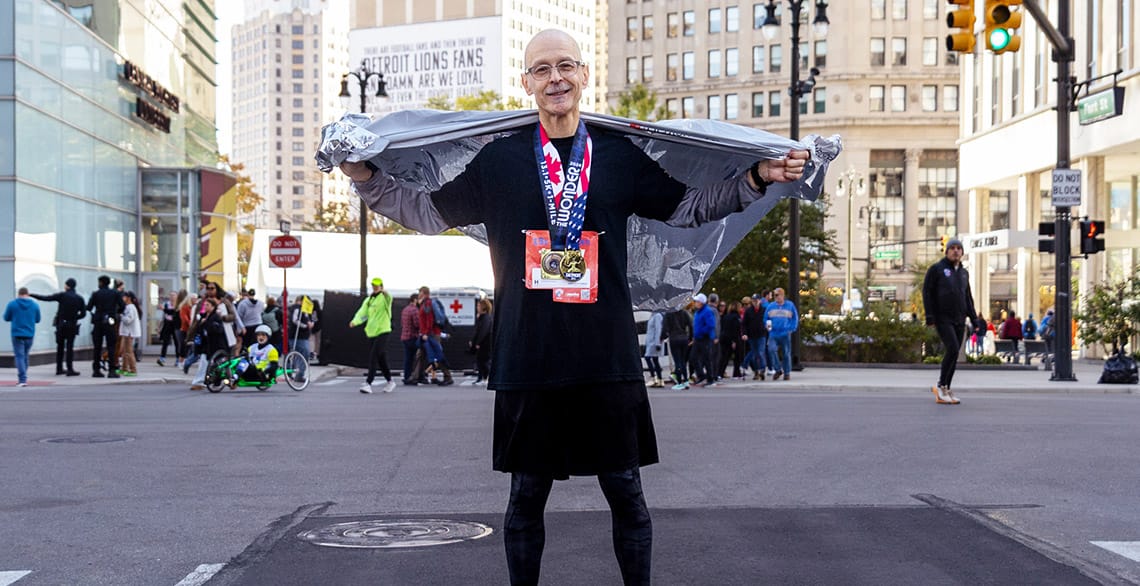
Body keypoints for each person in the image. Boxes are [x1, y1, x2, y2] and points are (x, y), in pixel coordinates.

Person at [338, 28, 807, 585]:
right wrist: (361, 174)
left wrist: (759, 176)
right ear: (527, 82)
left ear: (584, 75)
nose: (555, 78)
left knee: (627, 494)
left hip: (605, 353)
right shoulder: (500, 159)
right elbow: (423, 209)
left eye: (566, 66)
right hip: (527, 355)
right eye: (542, 69)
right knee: (525, 498)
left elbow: (690, 207)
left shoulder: (615, 153)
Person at [922, 237, 979, 405]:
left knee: (954, 354)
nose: (955, 251)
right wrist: (930, 316)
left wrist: (975, 319)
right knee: (953, 348)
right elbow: (927, 292)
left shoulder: (963, 273)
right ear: (946, 251)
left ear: (962, 252)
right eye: (952, 248)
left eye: (958, 248)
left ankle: (946, 387)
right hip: (942, 317)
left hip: (959, 318)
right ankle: (941, 385)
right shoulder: (937, 269)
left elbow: (967, 297)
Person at [29, 278, 86, 376]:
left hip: (61, 324)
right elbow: (83, 314)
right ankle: (70, 369)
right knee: (69, 347)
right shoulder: (79, 298)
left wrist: (31, 295)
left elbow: (46, 298)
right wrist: (74, 317)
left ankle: (59, 368)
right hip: (72, 324)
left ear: (67, 286)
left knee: (60, 346)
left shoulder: (62, 296)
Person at [350, 277, 396, 394]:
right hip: (372, 332)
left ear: (381, 286)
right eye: (374, 285)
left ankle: (368, 383)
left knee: (374, 356)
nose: (375, 288)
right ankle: (390, 381)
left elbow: (389, 298)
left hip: (383, 330)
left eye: (377, 286)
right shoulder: (369, 300)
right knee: (381, 358)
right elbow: (362, 313)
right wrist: (355, 321)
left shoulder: (384, 298)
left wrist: (384, 292)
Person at [86, 275, 124, 379]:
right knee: (111, 345)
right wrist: (114, 313)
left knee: (97, 347)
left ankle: (96, 370)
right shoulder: (115, 293)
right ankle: (112, 370)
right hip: (110, 320)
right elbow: (122, 306)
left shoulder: (96, 294)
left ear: (101, 282)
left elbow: (89, 307)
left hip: (98, 320)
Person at [417, 286, 455, 386]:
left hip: (431, 334)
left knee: (437, 355)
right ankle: (417, 376)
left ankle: (447, 376)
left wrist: (425, 333)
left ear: (424, 293)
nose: (418, 294)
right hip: (430, 333)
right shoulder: (426, 303)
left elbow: (429, 320)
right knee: (421, 354)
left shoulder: (427, 304)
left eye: (420, 292)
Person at [4, 287, 41, 386]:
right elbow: (38, 319)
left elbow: (6, 317)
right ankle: (23, 377)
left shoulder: (12, 304)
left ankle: (22, 380)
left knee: (19, 356)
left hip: (17, 334)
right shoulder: (35, 305)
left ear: (19, 294)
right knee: (25, 356)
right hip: (30, 334)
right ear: (27, 294)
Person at [763, 287, 799, 381]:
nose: (775, 297)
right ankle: (778, 369)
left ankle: (787, 372)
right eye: (774, 295)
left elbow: (795, 318)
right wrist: (768, 327)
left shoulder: (790, 305)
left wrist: (791, 328)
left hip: (785, 333)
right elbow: (766, 318)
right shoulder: (770, 306)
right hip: (773, 333)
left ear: (782, 295)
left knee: (786, 353)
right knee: (771, 350)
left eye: (777, 295)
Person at [664, 305, 693, 391]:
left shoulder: (669, 313)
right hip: (684, 338)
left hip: (674, 338)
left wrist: (663, 336)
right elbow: (691, 325)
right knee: (683, 361)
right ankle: (686, 380)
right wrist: (691, 337)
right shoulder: (684, 313)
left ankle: (680, 382)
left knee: (677, 361)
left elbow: (665, 327)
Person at [741, 293, 769, 380]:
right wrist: (744, 333)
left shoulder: (764, 310)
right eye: (753, 301)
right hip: (752, 335)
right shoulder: (749, 311)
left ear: (760, 301)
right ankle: (756, 370)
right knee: (754, 353)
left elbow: (768, 321)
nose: (755, 302)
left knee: (760, 352)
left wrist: (768, 329)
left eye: (756, 301)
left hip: (761, 334)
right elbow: (744, 324)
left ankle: (762, 369)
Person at [399, 293, 423, 385]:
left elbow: (402, 323)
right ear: (415, 300)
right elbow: (417, 325)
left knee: (408, 359)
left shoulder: (405, 309)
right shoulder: (415, 310)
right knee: (418, 358)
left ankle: (407, 377)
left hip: (404, 337)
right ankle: (416, 377)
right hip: (413, 337)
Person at [288, 296, 314, 380]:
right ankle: (299, 373)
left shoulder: (305, 310)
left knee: (298, 355)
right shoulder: (297, 308)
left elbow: (309, 318)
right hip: (298, 336)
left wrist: (311, 323)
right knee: (303, 353)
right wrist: (305, 326)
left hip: (302, 336)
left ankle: (296, 372)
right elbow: (295, 320)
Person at [116, 291, 141, 376]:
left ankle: (133, 370)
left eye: (124, 297)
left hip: (129, 332)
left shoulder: (131, 307)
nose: (123, 299)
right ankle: (124, 368)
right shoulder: (128, 307)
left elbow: (128, 320)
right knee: (124, 352)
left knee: (129, 352)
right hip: (126, 332)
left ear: (128, 298)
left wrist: (121, 316)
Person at [157, 290, 183, 367]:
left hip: (175, 325)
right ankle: (162, 358)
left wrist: (164, 310)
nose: (172, 297)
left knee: (176, 342)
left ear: (177, 296)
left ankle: (178, 359)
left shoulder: (178, 305)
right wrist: (159, 326)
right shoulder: (166, 304)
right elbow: (163, 316)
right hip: (167, 324)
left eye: (173, 295)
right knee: (165, 342)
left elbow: (173, 312)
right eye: (170, 295)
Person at [719, 301, 745, 379]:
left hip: (724, 337)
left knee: (725, 357)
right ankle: (736, 373)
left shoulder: (726, 316)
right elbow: (735, 329)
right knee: (737, 356)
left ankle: (720, 372)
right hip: (733, 338)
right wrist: (734, 340)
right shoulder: (736, 317)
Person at [471, 298, 494, 384]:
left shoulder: (486, 318)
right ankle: (481, 377)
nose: (477, 307)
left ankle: (485, 377)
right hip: (483, 343)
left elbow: (483, 331)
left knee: (483, 361)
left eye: (479, 305)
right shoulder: (483, 318)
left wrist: (478, 342)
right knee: (480, 361)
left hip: (485, 343)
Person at [642, 310, 665, 388]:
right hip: (651, 341)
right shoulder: (653, 315)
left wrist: (657, 343)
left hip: (654, 342)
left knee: (647, 357)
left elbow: (658, 329)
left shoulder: (657, 316)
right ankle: (660, 379)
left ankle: (653, 378)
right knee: (655, 360)